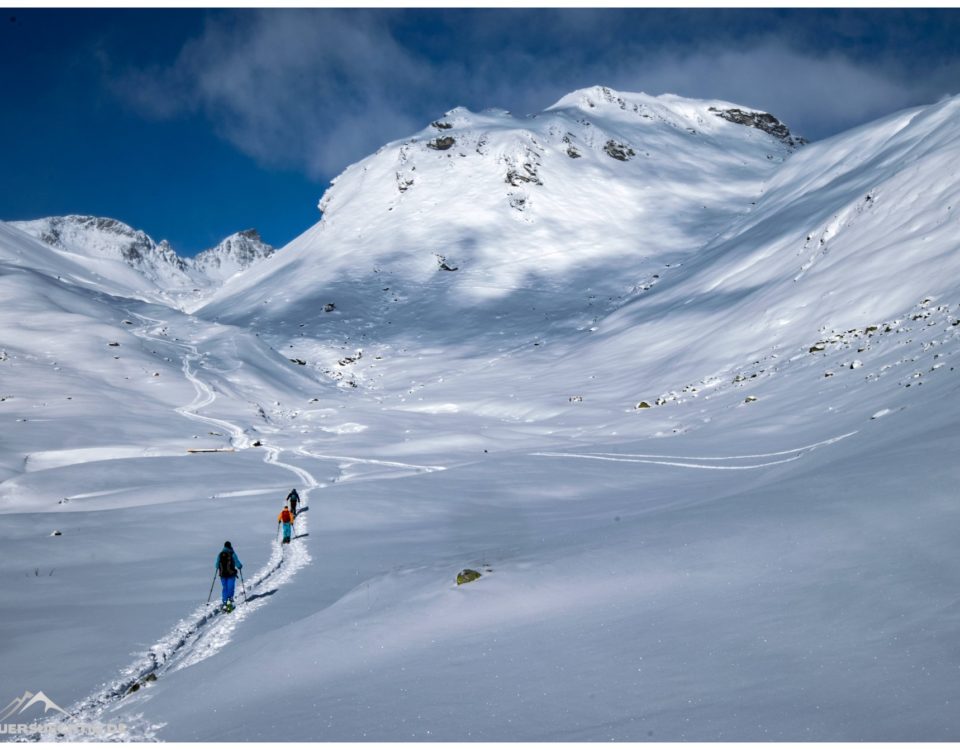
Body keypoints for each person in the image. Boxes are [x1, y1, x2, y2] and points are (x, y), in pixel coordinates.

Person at [216, 541, 243, 611]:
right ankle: (229, 602)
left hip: (222, 575)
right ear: (230, 546)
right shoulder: (232, 553)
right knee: (230, 588)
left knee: (225, 588)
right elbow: (238, 564)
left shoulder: (220, 554)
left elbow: (216, 565)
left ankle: (225, 602)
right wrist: (240, 566)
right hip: (231, 575)